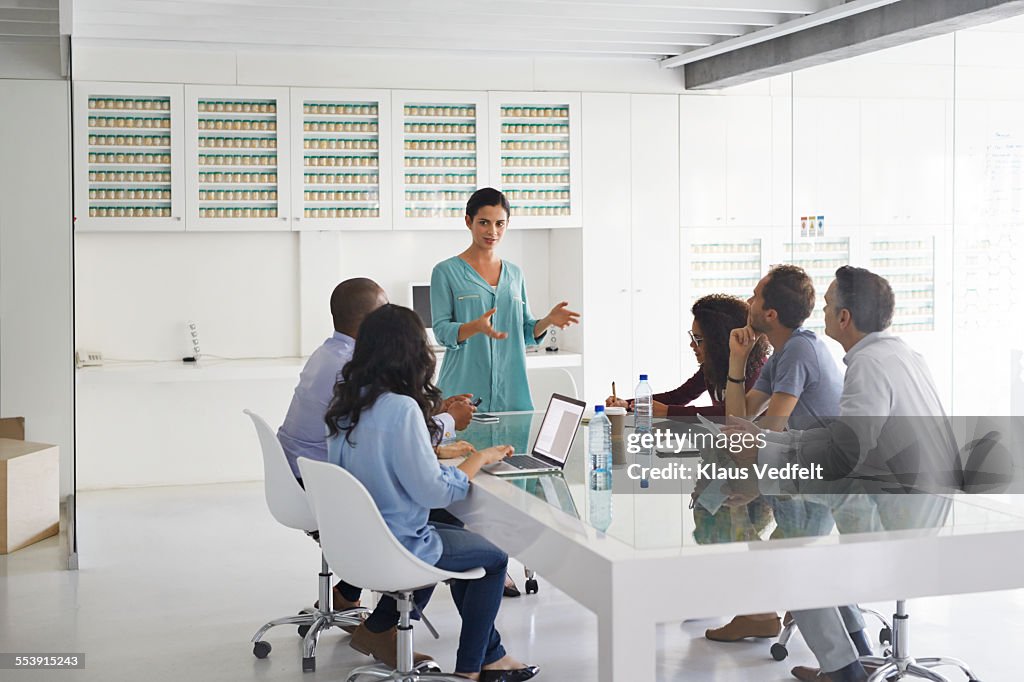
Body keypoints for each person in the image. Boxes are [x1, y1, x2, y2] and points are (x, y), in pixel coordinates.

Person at [735, 267, 960, 682]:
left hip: (899, 521)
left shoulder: (868, 366)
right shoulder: (903, 354)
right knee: (809, 543)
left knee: (787, 558)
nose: (820, 309)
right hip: (924, 511)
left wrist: (761, 481)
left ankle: (843, 671)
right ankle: (856, 649)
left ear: (844, 318)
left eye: (828, 305)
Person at [325, 304, 540, 682]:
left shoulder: (348, 401)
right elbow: (436, 492)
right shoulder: (402, 408)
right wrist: (481, 459)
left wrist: (433, 455)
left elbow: (385, 470)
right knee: (493, 556)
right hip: (400, 543)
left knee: (461, 533)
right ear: (412, 352)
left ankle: (478, 652)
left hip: (358, 541)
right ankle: (474, 668)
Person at [277, 277, 476, 613]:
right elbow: (388, 439)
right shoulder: (348, 370)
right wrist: (447, 422)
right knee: (438, 512)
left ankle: (350, 595)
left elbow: (379, 426)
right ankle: (387, 625)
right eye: (385, 311)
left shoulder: (331, 354)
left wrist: (434, 412)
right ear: (370, 323)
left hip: (305, 478)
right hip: (324, 487)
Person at [706, 265, 848, 644]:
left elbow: (766, 434)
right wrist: (739, 359)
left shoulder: (800, 350)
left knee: (776, 555)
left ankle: (833, 654)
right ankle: (760, 614)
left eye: (755, 297)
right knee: (762, 546)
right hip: (801, 470)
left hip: (823, 479)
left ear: (769, 314)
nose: (748, 303)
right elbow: (741, 420)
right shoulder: (789, 349)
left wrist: (754, 482)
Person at [430, 187, 579, 412]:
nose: (492, 231)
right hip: (463, 396)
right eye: (484, 222)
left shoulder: (515, 274)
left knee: (516, 448)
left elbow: (525, 333)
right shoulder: (445, 272)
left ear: (507, 224)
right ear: (468, 221)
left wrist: (548, 320)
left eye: (499, 223)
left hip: (512, 395)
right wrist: (474, 327)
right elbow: (441, 332)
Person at [605, 294, 769, 416]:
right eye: (692, 337)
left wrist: (669, 412)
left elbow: (731, 415)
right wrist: (628, 404)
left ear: (719, 340)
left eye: (698, 339)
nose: (692, 345)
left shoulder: (757, 369)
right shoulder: (713, 365)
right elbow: (680, 395)